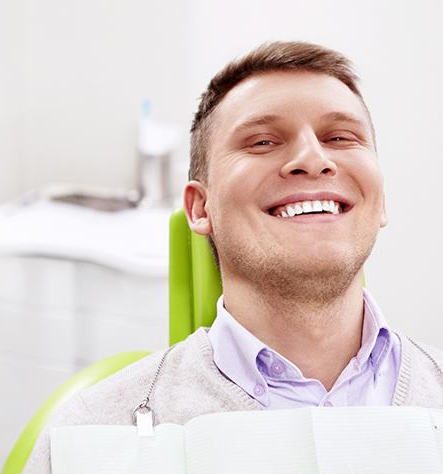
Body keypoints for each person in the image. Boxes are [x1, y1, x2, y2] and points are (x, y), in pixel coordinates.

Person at [24, 41, 443, 472]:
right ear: (200, 208)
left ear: (381, 197)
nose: (313, 159)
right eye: (263, 141)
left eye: (339, 137)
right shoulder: (92, 439)